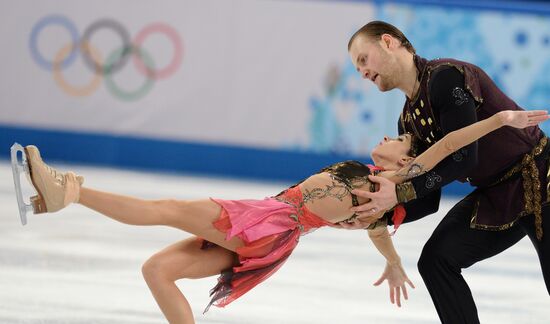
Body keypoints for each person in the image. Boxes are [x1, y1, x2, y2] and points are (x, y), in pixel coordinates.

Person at [16, 110, 543, 324]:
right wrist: (393, 260)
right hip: (276, 234)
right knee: (158, 270)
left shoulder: (384, 186)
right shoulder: (376, 190)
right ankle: (62, 194)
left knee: (168, 209)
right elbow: (380, 228)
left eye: (398, 140)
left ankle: (68, 192)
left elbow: (448, 144)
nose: (387, 138)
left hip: (269, 221)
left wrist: (498, 119)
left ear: (407, 161)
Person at [347, 20, 550, 323]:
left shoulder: (445, 78)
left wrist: (399, 193)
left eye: (363, 59)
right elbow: (429, 200)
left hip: (539, 176)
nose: (361, 72)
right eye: (357, 68)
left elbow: (464, 158)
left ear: (388, 42)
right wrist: (380, 213)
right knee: (436, 260)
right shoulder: (407, 123)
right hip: (495, 195)